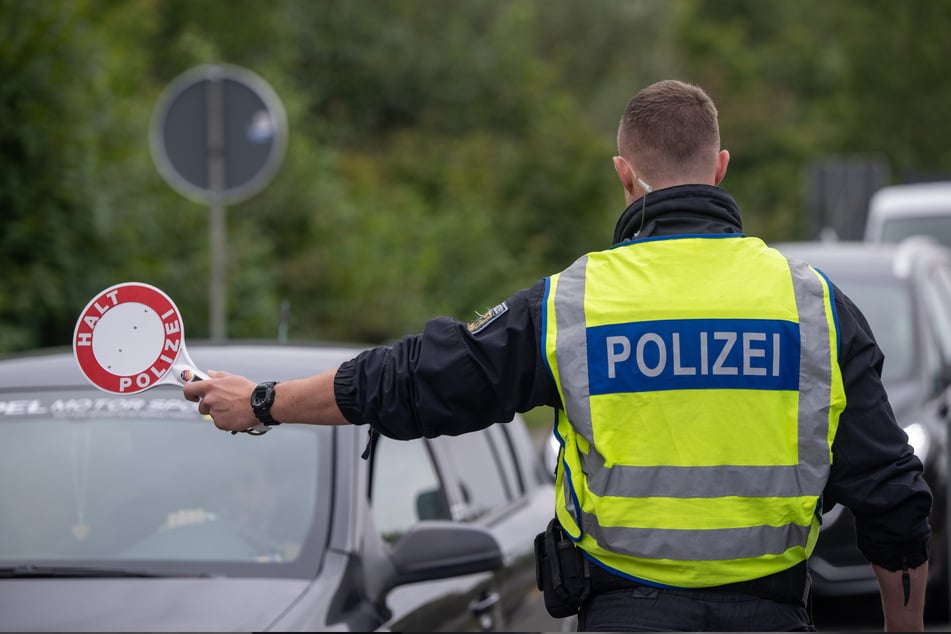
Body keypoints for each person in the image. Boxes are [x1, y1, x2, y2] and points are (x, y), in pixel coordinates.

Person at [184, 79, 932, 632]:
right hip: (771, 616)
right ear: (720, 166)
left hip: (623, 617)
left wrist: (262, 402)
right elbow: (893, 495)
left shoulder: (573, 305)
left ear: (623, 173)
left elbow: (418, 381)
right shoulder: (814, 307)